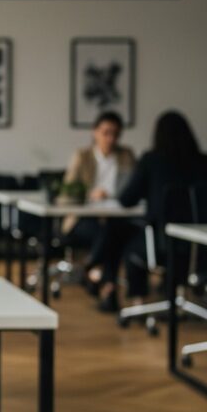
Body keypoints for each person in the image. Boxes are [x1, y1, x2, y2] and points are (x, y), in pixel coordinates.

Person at [96, 110, 207, 310]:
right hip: (203, 247)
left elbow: (127, 199)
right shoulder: (206, 162)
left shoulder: (151, 160)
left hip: (163, 245)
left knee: (126, 242)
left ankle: (137, 301)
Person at [60, 110, 136, 303]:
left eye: (115, 134)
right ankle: (106, 286)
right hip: (83, 219)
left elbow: (134, 189)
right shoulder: (82, 156)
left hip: (116, 216)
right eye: (106, 132)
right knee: (109, 234)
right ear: (95, 132)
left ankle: (92, 271)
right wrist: (88, 195)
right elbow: (66, 193)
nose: (111, 138)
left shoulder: (126, 156)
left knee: (113, 230)